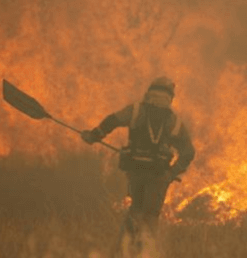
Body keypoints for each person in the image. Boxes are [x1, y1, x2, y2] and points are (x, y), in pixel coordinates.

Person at [81, 76, 195, 249]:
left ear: (149, 92)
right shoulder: (173, 121)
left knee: (136, 210)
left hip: (135, 172)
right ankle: (144, 252)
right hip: (159, 176)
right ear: (170, 97)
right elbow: (188, 151)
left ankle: (124, 250)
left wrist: (94, 135)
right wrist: (172, 173)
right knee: (150, 216)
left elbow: (112, 121)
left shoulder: (135, 110)